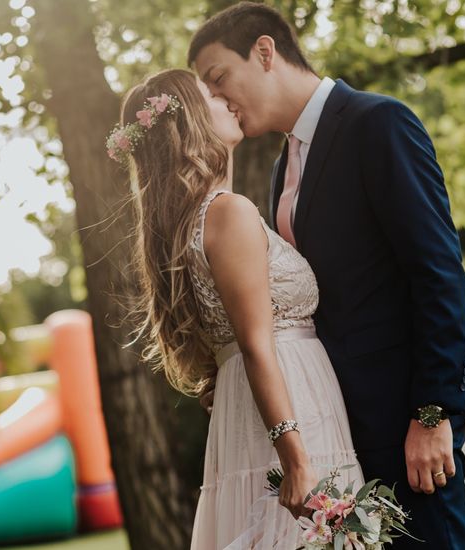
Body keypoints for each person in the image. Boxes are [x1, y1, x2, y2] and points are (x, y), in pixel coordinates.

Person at [187, 3, 465, 548]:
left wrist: (432, 414)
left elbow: (438, 274)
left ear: (264, 51)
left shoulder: (379, 123)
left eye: (218, 78)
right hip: (342, 429)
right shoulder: (283, 169)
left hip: (406, 420)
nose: (219, 98)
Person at [111, 68, 363, 549]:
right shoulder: (227, 212)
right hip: (289, 405)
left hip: (261, 399)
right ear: (188, 127)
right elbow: (254, 343)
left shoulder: (192, 220)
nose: (228, 99)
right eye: (212, 95)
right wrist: (294, 456)